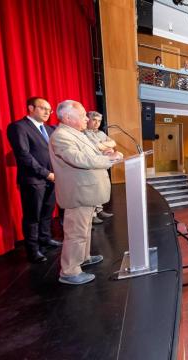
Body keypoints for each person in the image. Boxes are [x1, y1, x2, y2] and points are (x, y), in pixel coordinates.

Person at [49, 100, 122, 285]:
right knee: (76, 232)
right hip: (78, 192)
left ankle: (84, 257)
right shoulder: (61, 136)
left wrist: (106, 155)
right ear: (67, 117)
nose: (86, 118)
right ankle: (69, 271)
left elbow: (91, 155)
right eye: (82, 115)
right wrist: (109, 161)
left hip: (87, 191)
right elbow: (78, 159)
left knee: (84, 229)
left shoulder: (77, 134)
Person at [7, 96, 62, 263]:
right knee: (33, 216)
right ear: (31, 108)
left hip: (53, 178)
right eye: (43, 108)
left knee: (47, 212)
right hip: (33, 180)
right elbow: (24, 155)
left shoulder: (50, 130)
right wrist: (46, 173)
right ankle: (33, 250)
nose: (47, 112)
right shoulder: (19, 127)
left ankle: (45, 238)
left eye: (49, 110)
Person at [83, 111, 115, 224]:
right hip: (91, 166)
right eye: (94, 120)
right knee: (93, 191)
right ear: (88, 120)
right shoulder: (83, 133)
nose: (97, 123)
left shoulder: (101, 133)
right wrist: (104, 146)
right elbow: (96, 146)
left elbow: (113, 143)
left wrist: (104, 146)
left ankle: (100, 210)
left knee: (101, 189)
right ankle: (92, 215)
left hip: (102, 164)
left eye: (99, 121)